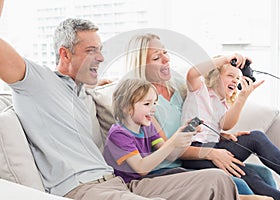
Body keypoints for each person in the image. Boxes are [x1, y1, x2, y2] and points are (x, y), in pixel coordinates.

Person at [0, 3, 240, 200]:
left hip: (119, 183)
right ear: (65, 54)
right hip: (83, 190)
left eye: (101, 49)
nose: (102, 57)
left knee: (218, 180)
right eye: (91, 50)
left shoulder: (84, 91)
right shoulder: (37, 83)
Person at [125, 32, 276, 197]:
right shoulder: (144, 103)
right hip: (169, 168)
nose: (166, 59)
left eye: (165, 52)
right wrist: (212, 152)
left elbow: (198, 119)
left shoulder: (178, 86)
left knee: (263, 174)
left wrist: (219, 135)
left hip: (192, 158)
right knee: (236, 183)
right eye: (156, 58)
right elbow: (169, 150)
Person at [181, 56, 280, 199]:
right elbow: (192, 73)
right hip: (196, 154)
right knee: (249, 176)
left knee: (255, 141)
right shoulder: (200, 91)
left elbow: (226, 124)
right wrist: (226, 59)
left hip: (216, 147)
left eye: (238, 78)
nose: (235, 80)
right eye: (230, 75)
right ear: (215, 76)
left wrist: (242, 97)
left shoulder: (223, 103)